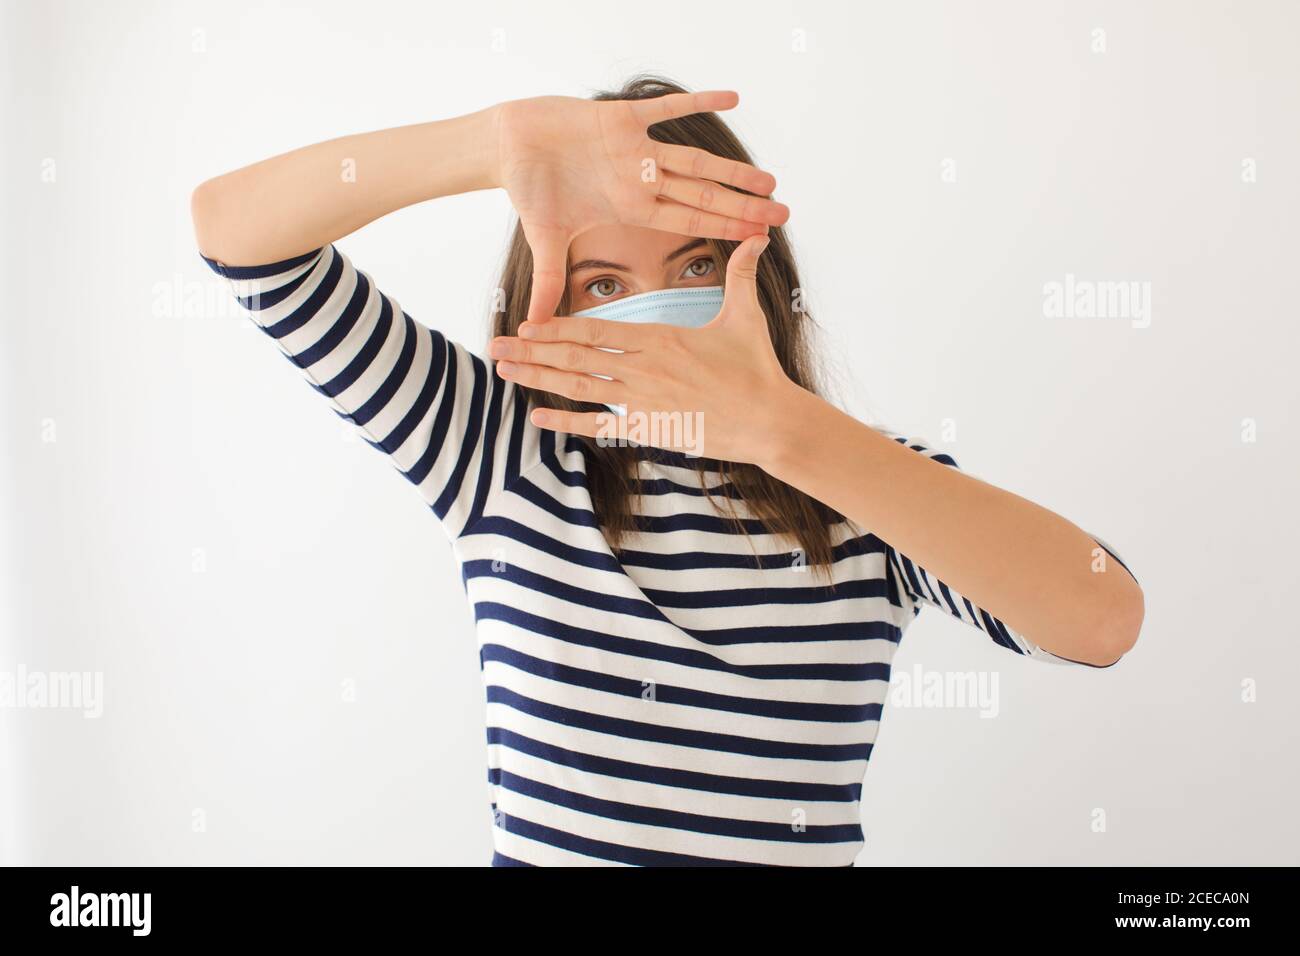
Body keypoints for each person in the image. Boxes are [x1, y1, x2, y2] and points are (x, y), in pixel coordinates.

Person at [190, 75, 1144, 867]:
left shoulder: (863, 490)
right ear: (548, 306)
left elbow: (1100, 620)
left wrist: (784, 433)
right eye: (605, 284)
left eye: (696, 268)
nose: (652, 313)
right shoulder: (495, 453)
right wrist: (495, 146)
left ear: (760, 283)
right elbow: (238, 234)